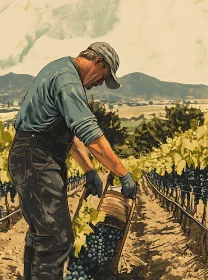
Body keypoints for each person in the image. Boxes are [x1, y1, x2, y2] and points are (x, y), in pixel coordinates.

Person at [7, 42, 138, 280]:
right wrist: (122, 173)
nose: (100, 84)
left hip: (34, 155)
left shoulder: (60, 70)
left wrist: (89, 170)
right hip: (36, 158)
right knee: (56, 239)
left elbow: (69, 136)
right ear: (98, 61)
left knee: (41, 236)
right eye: (103, 77)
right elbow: (90, 135)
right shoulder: (68, 81)